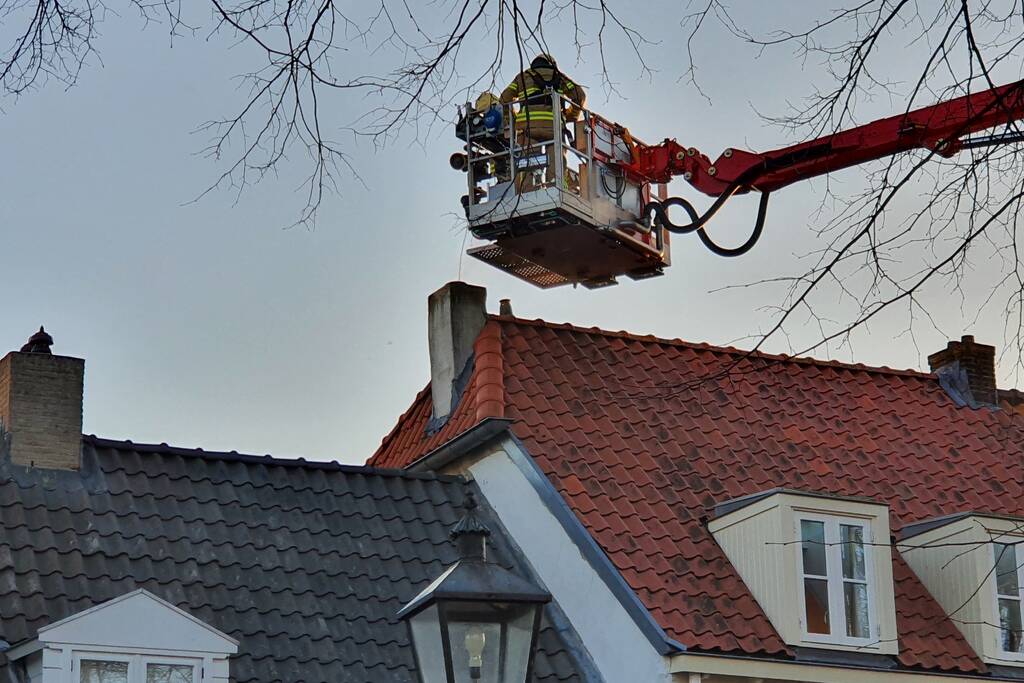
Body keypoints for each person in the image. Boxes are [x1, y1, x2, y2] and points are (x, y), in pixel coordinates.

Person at [501, 54, 586, 190]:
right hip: (554, 128)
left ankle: (529, 191)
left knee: (528, 164)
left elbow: (504, 100)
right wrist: (570, 116)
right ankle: (556, 188)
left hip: (528, 129)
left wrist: (513, 121)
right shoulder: (559, 77)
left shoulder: (522, 77)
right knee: (556, 163)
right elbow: (579, 95)